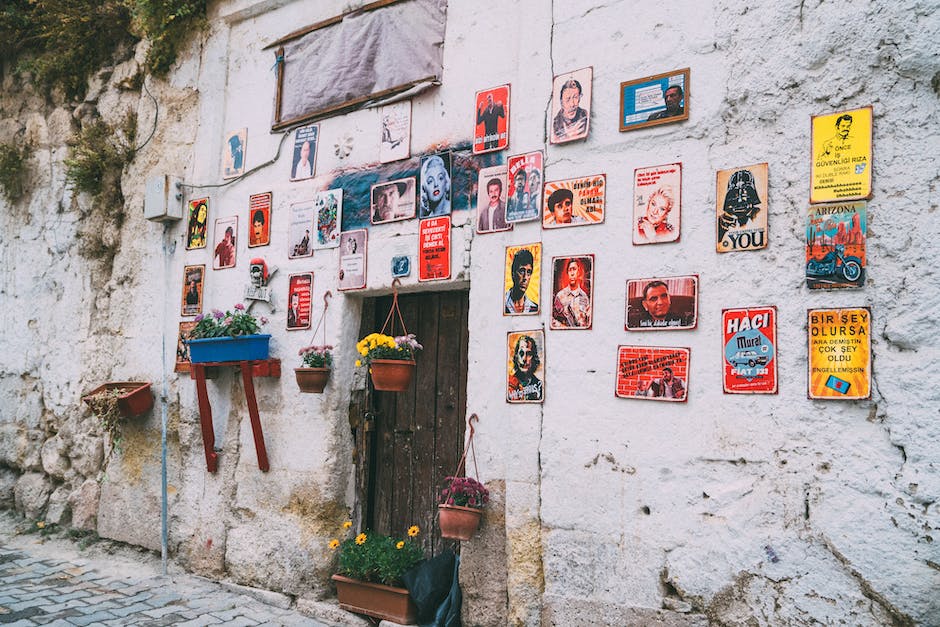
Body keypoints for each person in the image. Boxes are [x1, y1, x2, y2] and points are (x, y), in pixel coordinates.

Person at [718, 169, 762, 242]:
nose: (739, 200)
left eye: (744, 195)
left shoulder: (758, 214)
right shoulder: (724, 219)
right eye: (735, 195)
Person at [552, 258, 591, 328]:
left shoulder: (584, 297)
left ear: (578, 272)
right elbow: (552, 319)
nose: (572, 273)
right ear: (567, 273)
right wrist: (562, 326)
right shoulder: (560, 296)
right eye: (570, 270)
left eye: (574, 269)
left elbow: (588, 322)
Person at [507, 335, 543, 401]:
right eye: (521, 353)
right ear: (516, 357)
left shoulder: (539, 385)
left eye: (529, 354)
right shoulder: (509, 383)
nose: (524, 359)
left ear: (534, 358)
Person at [504, 248, 538, 314]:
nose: (525, 277)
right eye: (522, 271)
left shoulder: (535, 308)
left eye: (529, 272)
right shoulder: (501, 303)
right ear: (513, 273)